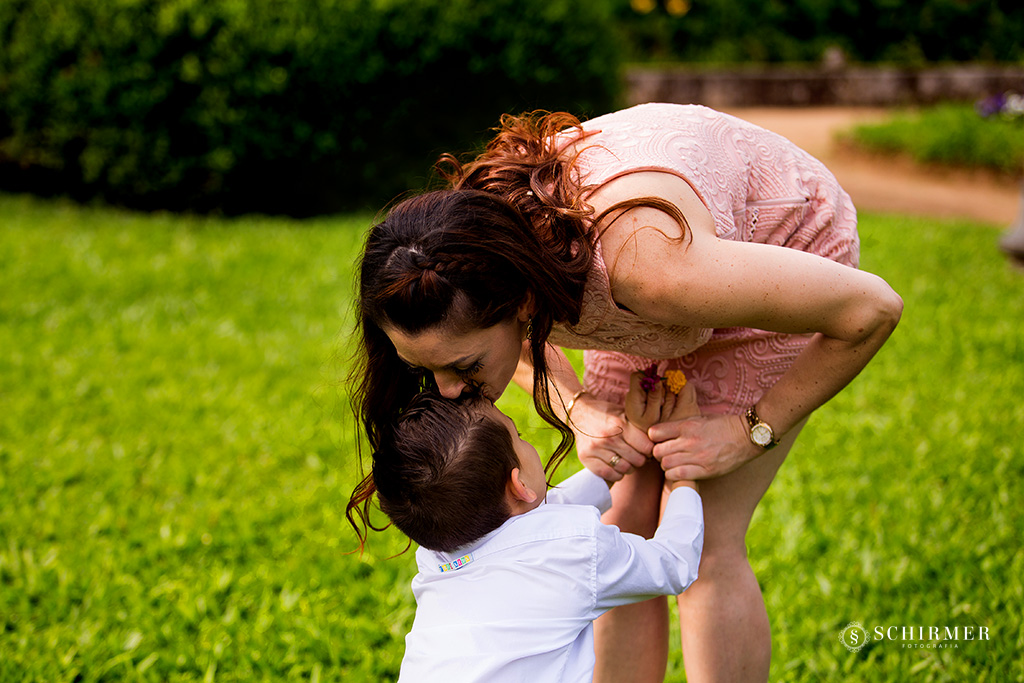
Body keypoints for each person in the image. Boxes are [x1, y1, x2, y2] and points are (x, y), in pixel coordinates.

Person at [348, 102, 904, 682]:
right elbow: (494, 349)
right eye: (426, 369)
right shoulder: (460, 253)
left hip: (773, 248)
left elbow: (872, 310)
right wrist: (580, 410)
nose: (450, 393)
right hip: (646, 275)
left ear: (519, 304)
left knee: (707, 540)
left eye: (463, 367)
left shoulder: (649, 274)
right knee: (623, 521)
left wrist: (751, 431)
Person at [370, 373, 703, 682]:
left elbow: (540, 523)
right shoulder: (573, 552)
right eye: (519, 436)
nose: (525, 442)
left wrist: (628, 443)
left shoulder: (438, 555)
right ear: (519, 484)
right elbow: (676, 562)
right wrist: (683, 471)